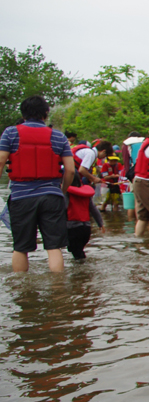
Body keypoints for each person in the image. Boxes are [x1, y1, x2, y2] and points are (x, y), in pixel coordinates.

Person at [0, 95, 76, 272]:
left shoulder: (10, 133)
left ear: (23, 113)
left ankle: (21, 290)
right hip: (52, 197)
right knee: (53, 246)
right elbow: (70, 170)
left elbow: (1, 161)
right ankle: (59, 289)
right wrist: (61, 191)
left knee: (20, 247)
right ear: (45, 114)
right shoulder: (59, 136)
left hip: (21, 197)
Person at [66, 182, 104, 259]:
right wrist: (100, 223)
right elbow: (93, 209)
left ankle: (80, 270)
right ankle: (84, 268)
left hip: (73, 228)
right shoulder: (85, 195)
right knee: (79, 251)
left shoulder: (67, 194)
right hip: (86, 228)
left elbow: (63, 208)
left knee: (76, 252)